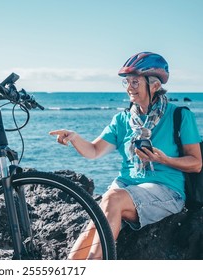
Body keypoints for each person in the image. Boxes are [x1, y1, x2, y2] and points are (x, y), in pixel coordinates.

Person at [50, 52, 202, 260]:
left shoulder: (180, 116)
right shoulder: (123, 120)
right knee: (89, 232)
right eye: (127, 82)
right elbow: (94, 151)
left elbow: (196, 163)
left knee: (111, 199)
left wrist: (163, 159)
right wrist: (75, 138)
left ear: (154, 85)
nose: (129, 87)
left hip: (166, 190)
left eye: (135, 82)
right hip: (126, 189)